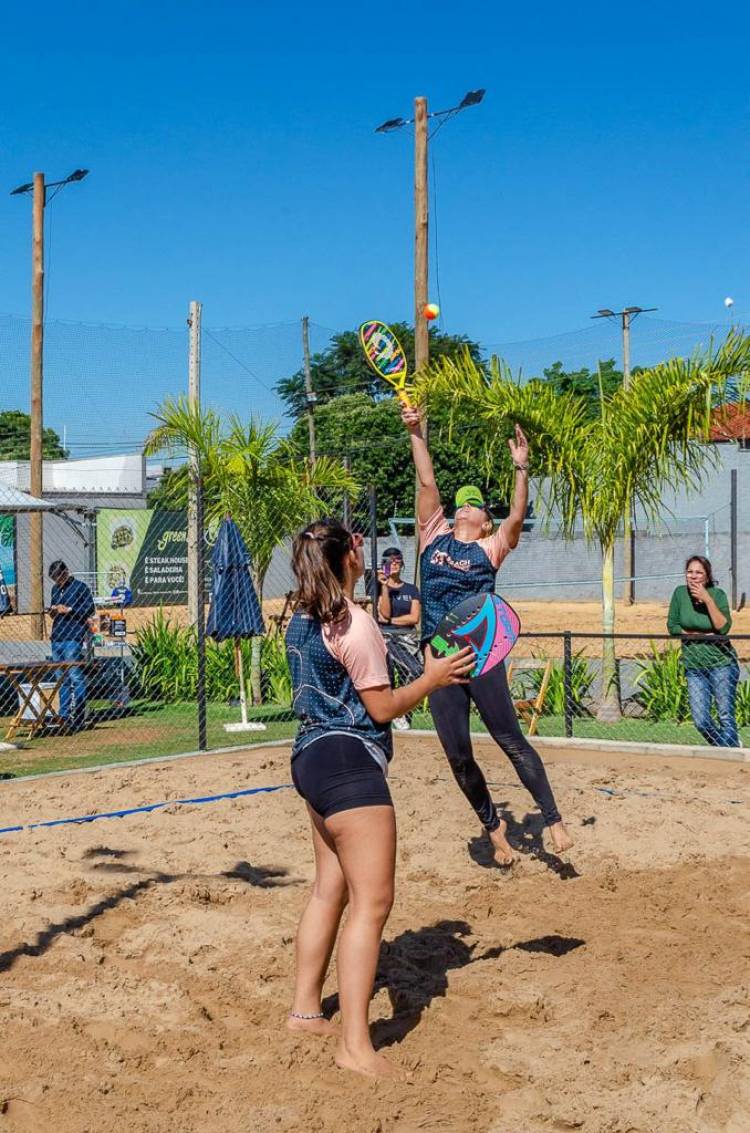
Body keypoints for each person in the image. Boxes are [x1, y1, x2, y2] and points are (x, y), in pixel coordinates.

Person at [284, 518, 474, 1078]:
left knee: (329, 890)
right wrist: (435, 677)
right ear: (348, 557)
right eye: (359, 546)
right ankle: (354, 1047)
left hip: (309, 759)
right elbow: (383, 709)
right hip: (349, 766)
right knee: (372, 905)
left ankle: (304, 1011)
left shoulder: (300, 617)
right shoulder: (355, 622)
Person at [401, 404, 573, 863]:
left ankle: (553, 819)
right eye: (462, 501)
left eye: (474, 503)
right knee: (458, 755)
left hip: (479, 656)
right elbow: (427, 483)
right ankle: (493, 828)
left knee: (510, 740)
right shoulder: (432, 535)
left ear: (484, 522)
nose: (465, 505)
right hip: (438, 662)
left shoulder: (491, 548)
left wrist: (522, 468)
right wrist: (416, 432)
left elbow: (518, 516)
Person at [667, 556, 740, 747]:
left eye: (699, 572)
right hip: (694, 666)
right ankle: (722, 748)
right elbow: (672, 626)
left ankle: (729, 755)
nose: (693, 576)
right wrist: (702, 634)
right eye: (690, 572)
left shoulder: (717, 595)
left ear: (707, 576)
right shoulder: (679, 594)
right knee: (700, 720)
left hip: (721, 664)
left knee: (725, 715)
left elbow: (723, 628)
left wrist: (707, 599)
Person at [377, 547, 422, 730]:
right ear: (384, 564)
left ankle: (402, 712)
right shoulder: (379, 588)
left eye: (397, 560)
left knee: (415, 672)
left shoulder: (411, 589)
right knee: (407, 672)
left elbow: (414, 618)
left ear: (402, 563)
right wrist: (384, 587)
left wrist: (391, 620)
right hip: (388, 639)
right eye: (389, 560)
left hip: (408, 639)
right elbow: (382, 614)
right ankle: (397, 713)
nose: (394, 563)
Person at [48, 560, 95, 733]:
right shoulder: (54, 590)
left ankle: (79, 715)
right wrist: (53, 611)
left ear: (66, 572)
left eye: (59, 577)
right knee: (61, 678)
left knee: (75, 675)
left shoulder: (80, 588)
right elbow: (55, 613)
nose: (57, 581)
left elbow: (89, 608)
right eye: (54, 579)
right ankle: (64, 716)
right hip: (57, 637)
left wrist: (68, 609)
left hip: (73, 636)